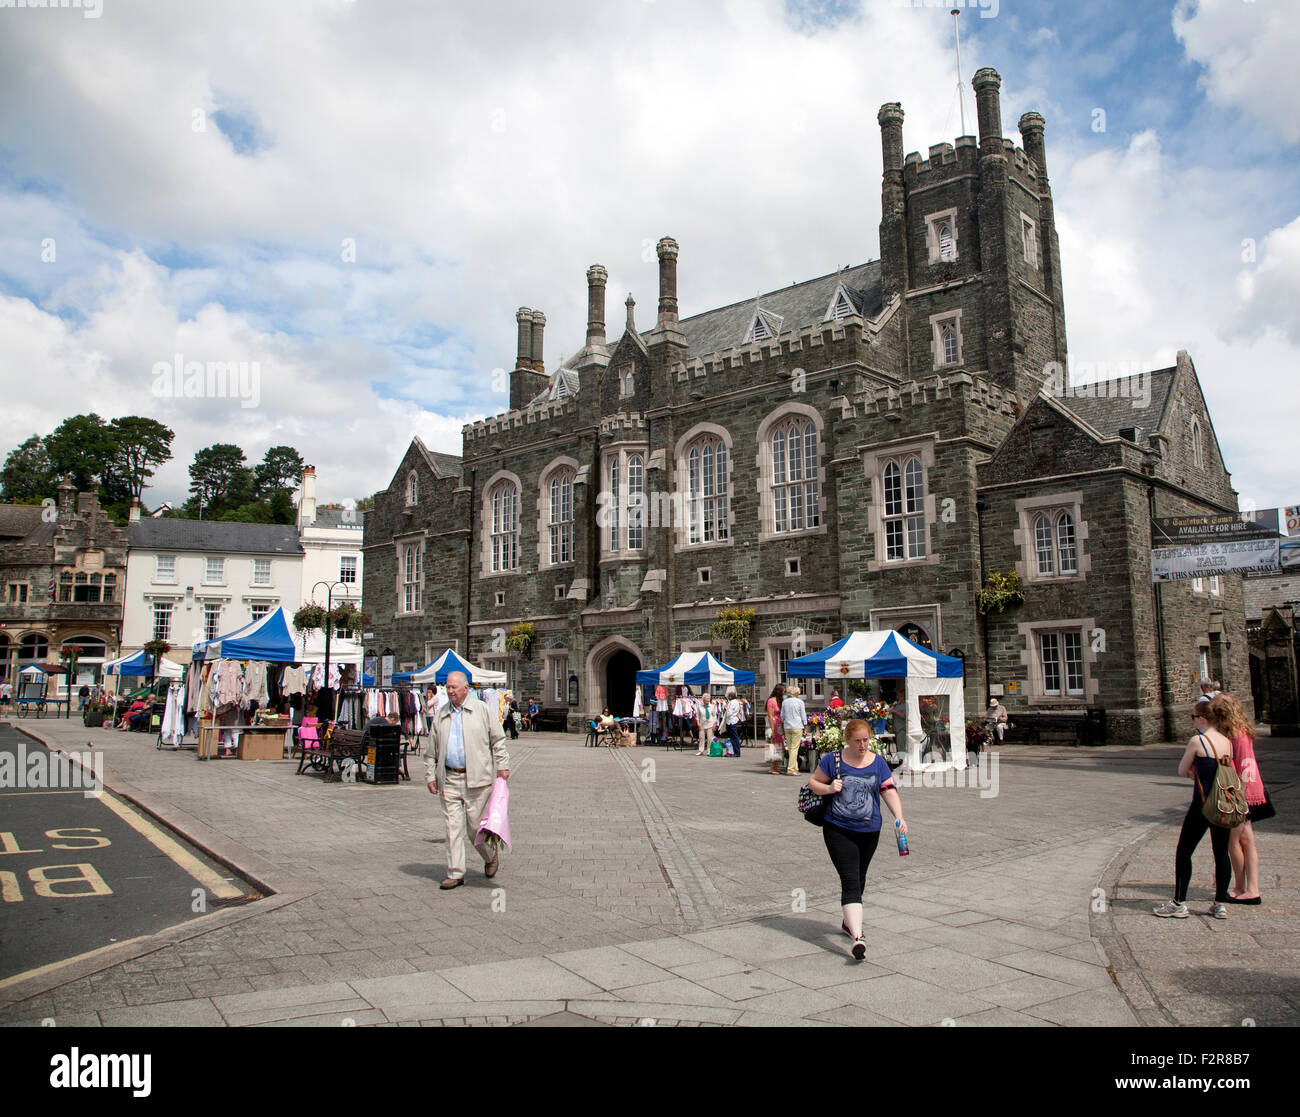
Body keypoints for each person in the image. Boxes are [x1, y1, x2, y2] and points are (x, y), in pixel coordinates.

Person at [807, 719, 906, 959]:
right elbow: (814, 783)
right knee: (850, 879)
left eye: (865, 740)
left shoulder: (878, 762)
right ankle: (858, 937)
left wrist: (899, 817)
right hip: (838, 828)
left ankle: (848, 921)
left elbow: (888, 789)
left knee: (860, 877)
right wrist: (830, 788)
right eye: (857, 741)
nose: (862, 745)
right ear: (847, 740)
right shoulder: (833, 760)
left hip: (869, 830)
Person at [426, 670, 510, 890]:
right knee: (452, 827)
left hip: (477, 779)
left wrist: (502, 765)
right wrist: (430, 775)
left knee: (475, 829)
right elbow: (431, 750)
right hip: (449, 777)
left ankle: (490, 856)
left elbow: (498, 740)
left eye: (454, 687)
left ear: (466, 689)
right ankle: (455, 873)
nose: (450, 691)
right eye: (448, 687)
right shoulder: (442, 714)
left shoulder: (481, 710)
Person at [1153, 698, 1234, 919]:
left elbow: (1182, 770)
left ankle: (1179, 901)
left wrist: (1193, 772)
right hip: (1223, 803)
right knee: (1221, 853)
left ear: (1202, 719)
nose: (1194, 722)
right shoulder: (1227, 742)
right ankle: (1219, 903)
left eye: (1194, 718)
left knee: (1184, 850)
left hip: (1202, 803)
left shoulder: (1198, 742)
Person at [1213, 693, 1266, 904]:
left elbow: (1246, 768)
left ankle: (1244, 887)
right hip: (1242, 792)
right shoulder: (1234, 733)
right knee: (1245, 840)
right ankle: (1246, 887)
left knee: (1235, 841)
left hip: (1243, 793)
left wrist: (1239, 798)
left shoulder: (1239, 735)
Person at [780, 684, 808, 776]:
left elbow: (782, 716)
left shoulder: (785, 702)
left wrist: (783, 723)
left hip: (787, 726)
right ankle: (791, 769)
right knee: (794, 748)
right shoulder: (800, 702)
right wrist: (805, 727)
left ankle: (795, 768)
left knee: (791, 748)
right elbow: (803, 715)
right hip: (797, 726)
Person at [765, 684, 786, 775]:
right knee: (774, 746)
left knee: (780, 746)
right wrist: (773, 729)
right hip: (774, 725)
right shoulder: (771, 701)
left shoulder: (780, 701)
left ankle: (776, 766)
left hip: (780, 725)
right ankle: (772, 767)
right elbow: (770, 716)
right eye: (783, 691)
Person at [723, 687, 743, 757]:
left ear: (730, 697)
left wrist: (726, 708)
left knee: (734, 737)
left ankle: (736, 752)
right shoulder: (737, 702)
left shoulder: (732, 703)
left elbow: (729, 713)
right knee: (733, 737)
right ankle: (733, 751)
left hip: (731, 721)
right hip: (733, 720)